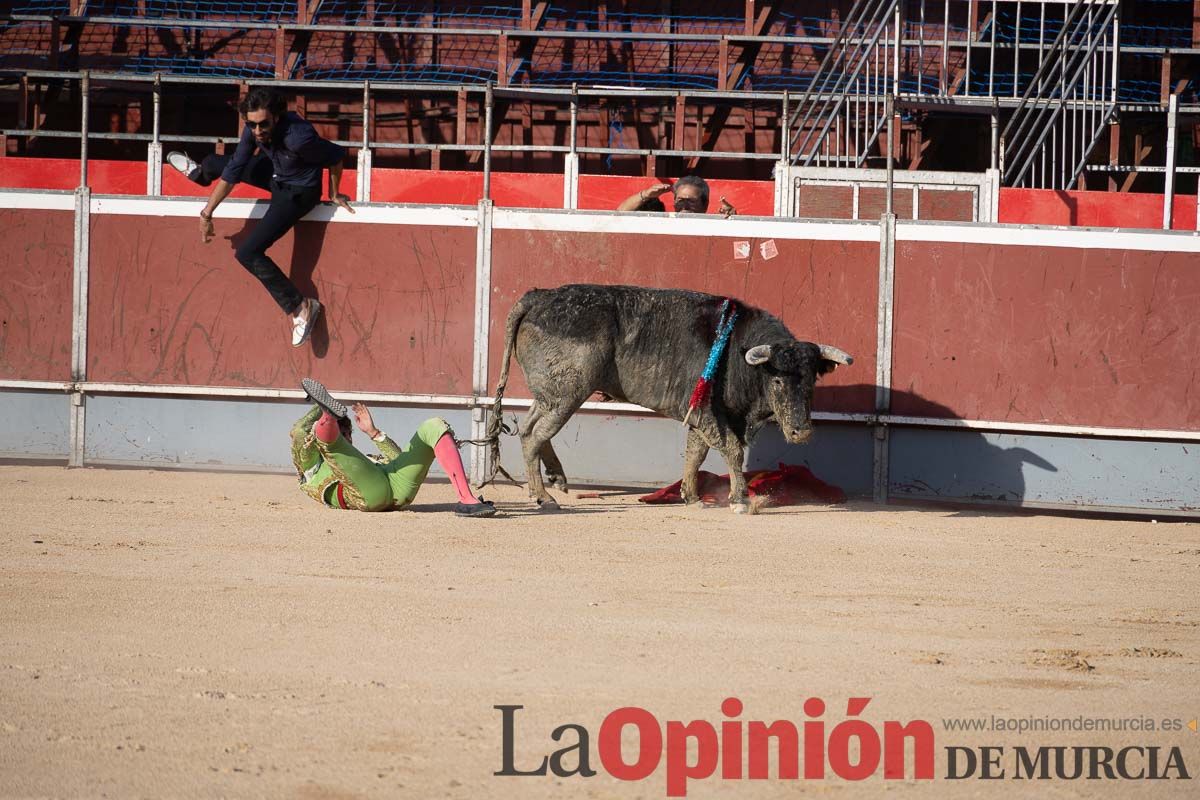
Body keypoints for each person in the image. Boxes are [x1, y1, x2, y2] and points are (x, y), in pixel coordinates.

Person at [166, 87, 354, 347]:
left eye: (263, 124)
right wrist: (207, 213)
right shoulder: (253, 130)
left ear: (276, 117)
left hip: (299, 193)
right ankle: (201, 173)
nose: (257, 131)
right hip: (277, 175)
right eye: (251, 125)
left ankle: (300, 307)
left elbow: (335, 157)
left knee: (248, 253)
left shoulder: (299, 138)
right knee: (218, 165)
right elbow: (234, 170)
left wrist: (334, 193)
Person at [291, 378, 497, 517]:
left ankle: (467, 500)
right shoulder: (311, 465)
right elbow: (300, 430)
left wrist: (374, 433)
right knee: (331, 445)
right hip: (369, 495)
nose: (347, 439)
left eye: (348, 434)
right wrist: (319, 408)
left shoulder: (365, 462)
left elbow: (400, 460)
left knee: (432, 426)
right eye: (342, 433)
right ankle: (327, 415)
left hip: (397, 490)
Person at [616, 175, 736, 216]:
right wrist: (646, 194)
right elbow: (620, 212)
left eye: (691, 201)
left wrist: (733, 218)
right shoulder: (665, 222)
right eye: (680, 200)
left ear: (705, 204)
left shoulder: (712, 224)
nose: (684, 206)